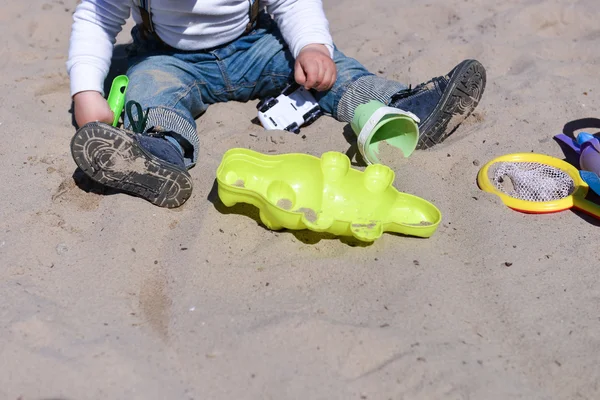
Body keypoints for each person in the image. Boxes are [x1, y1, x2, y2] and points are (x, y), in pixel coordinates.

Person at [67, 0, 486, 208]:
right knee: (149, 87)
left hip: (253, 46)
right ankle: (160, 153)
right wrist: (87, 92)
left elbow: (291, 2)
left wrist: (311, 46)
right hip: (169, 58)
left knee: (328, 68)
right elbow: (98, 17)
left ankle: (399, 108)